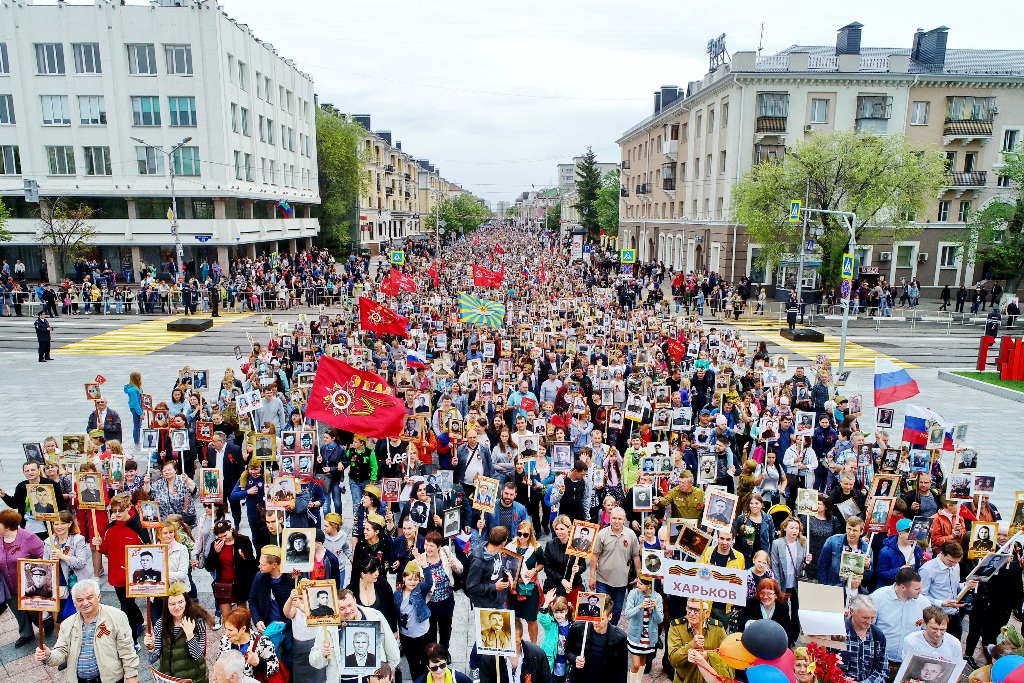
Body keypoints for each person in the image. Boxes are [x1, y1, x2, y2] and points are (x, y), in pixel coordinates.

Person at [35, 578, 140, 683]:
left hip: (111, 679)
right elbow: (61, 652)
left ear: (98, 597)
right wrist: (48, 655)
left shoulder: (116, 616)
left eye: (89, 598)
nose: (85, 603)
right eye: (80, 600)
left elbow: (127, 650)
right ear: (74, 603)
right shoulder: (67, 624)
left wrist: (131, 675)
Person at [145, 582, 215, 683]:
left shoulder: (197, 622)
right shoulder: (161, 624)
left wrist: (190, 635)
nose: (177, 607)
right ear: (167, 606)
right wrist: (150, 648)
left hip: (194, 679)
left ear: (186, 602)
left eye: (180, 602)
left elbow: (197, 655)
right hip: (168, 679)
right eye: (172, 604)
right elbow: (152, 659)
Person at [870, 567, 930, 676]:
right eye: (917, 589)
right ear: (902, 587)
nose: (920, 591)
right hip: (881, 660)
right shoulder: (878, 598)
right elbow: (868, 627)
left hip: (907, 663)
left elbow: (926, 632)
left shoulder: (924, 603)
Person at [588, 506, 640, 625]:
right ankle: (601, 632)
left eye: (620, 519)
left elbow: (636, 556)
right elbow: (594, 556)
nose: (617, 521)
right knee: (602, 609)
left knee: (616, 611)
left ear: (625, 519)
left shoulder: (631, 535)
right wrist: (591, 577)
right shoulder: (602, 534)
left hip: (621, 581)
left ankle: (612, 631)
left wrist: (639, 576)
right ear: (609, 518)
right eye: (614, 518)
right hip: (602, 579)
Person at [919, 541, 976, 639]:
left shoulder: (956, 566)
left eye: (956, 562)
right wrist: (942, 603)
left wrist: (965, 585)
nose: (953, 565)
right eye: (951, 561)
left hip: (954, 614)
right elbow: (921, 596)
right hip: (936, 617)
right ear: (942, 553)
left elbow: (954, 586)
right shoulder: (927, 570)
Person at [667, 598, 732, 683]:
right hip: (684, 679)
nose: (691, 613)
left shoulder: (717, 628)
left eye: (697, 610)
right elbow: (674, 661)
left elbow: (727, 657)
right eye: (689, 608)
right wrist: (690, 646)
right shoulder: (676, 627)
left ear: (706, 613)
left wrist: (707, 656)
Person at [204, 520, 258, 620]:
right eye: (220, 537)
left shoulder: (243, 541)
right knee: (227, 618)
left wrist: (251, 583)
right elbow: (208, 567)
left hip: (240, 583)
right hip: (223, 584)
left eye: (225, 535)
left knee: (242, 617)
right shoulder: (216, 544)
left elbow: (251, 563)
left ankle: (246, 633)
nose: (223, 539)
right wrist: (215, 553)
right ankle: (230, 634)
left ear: (231, 530)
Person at [479, 615, 553, 683]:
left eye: (515, 642)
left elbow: (546, 680)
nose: (510, 646)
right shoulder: (489, 659)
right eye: (506, 641)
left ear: (521, 637)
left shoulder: (537, 655)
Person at [219, 605, 282, 679]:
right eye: (226, 629)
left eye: (230, 630)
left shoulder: (262, 642)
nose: (227, 633)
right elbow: (219, 664)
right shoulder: (225, 640)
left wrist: (258, 663)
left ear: (243, 629)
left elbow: (275, 667)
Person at [839, 594, 887, 683]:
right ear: (852, 611)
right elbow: (825, 664)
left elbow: (883, 670)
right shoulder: (838, 631)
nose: (869, 622)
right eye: (865, 617)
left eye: (872, 618)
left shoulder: (877, 635)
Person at [624, 575, 664, 683]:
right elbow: (627, 614)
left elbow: (659, 620)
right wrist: (640, 606)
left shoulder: (657, 597)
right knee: (636, 664)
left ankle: (638, 681)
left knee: (642, 663)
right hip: (635, 635)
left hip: (649, 636)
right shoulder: (633, 594)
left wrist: (654, 608)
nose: (638, 585)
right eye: (638, 582)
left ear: (649, 586)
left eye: (641, 584)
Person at [817, 516, 873, 586]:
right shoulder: (832, 541)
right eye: (849, 529)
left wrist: (867, 567)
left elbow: (867, 577)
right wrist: (824, 586)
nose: (851, 533)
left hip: (853, 590)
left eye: (855, 530)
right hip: (833, 585)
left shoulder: (867, 549)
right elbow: (822, 566)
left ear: (861, 532)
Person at [876, 518, 925, 587]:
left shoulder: (917, 548)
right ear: (900, 534)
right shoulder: (886, 552)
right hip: (892, 588)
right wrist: (899, 571)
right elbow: (880, 574)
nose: (912, 536)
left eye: (914, 532)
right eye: (908, 533)